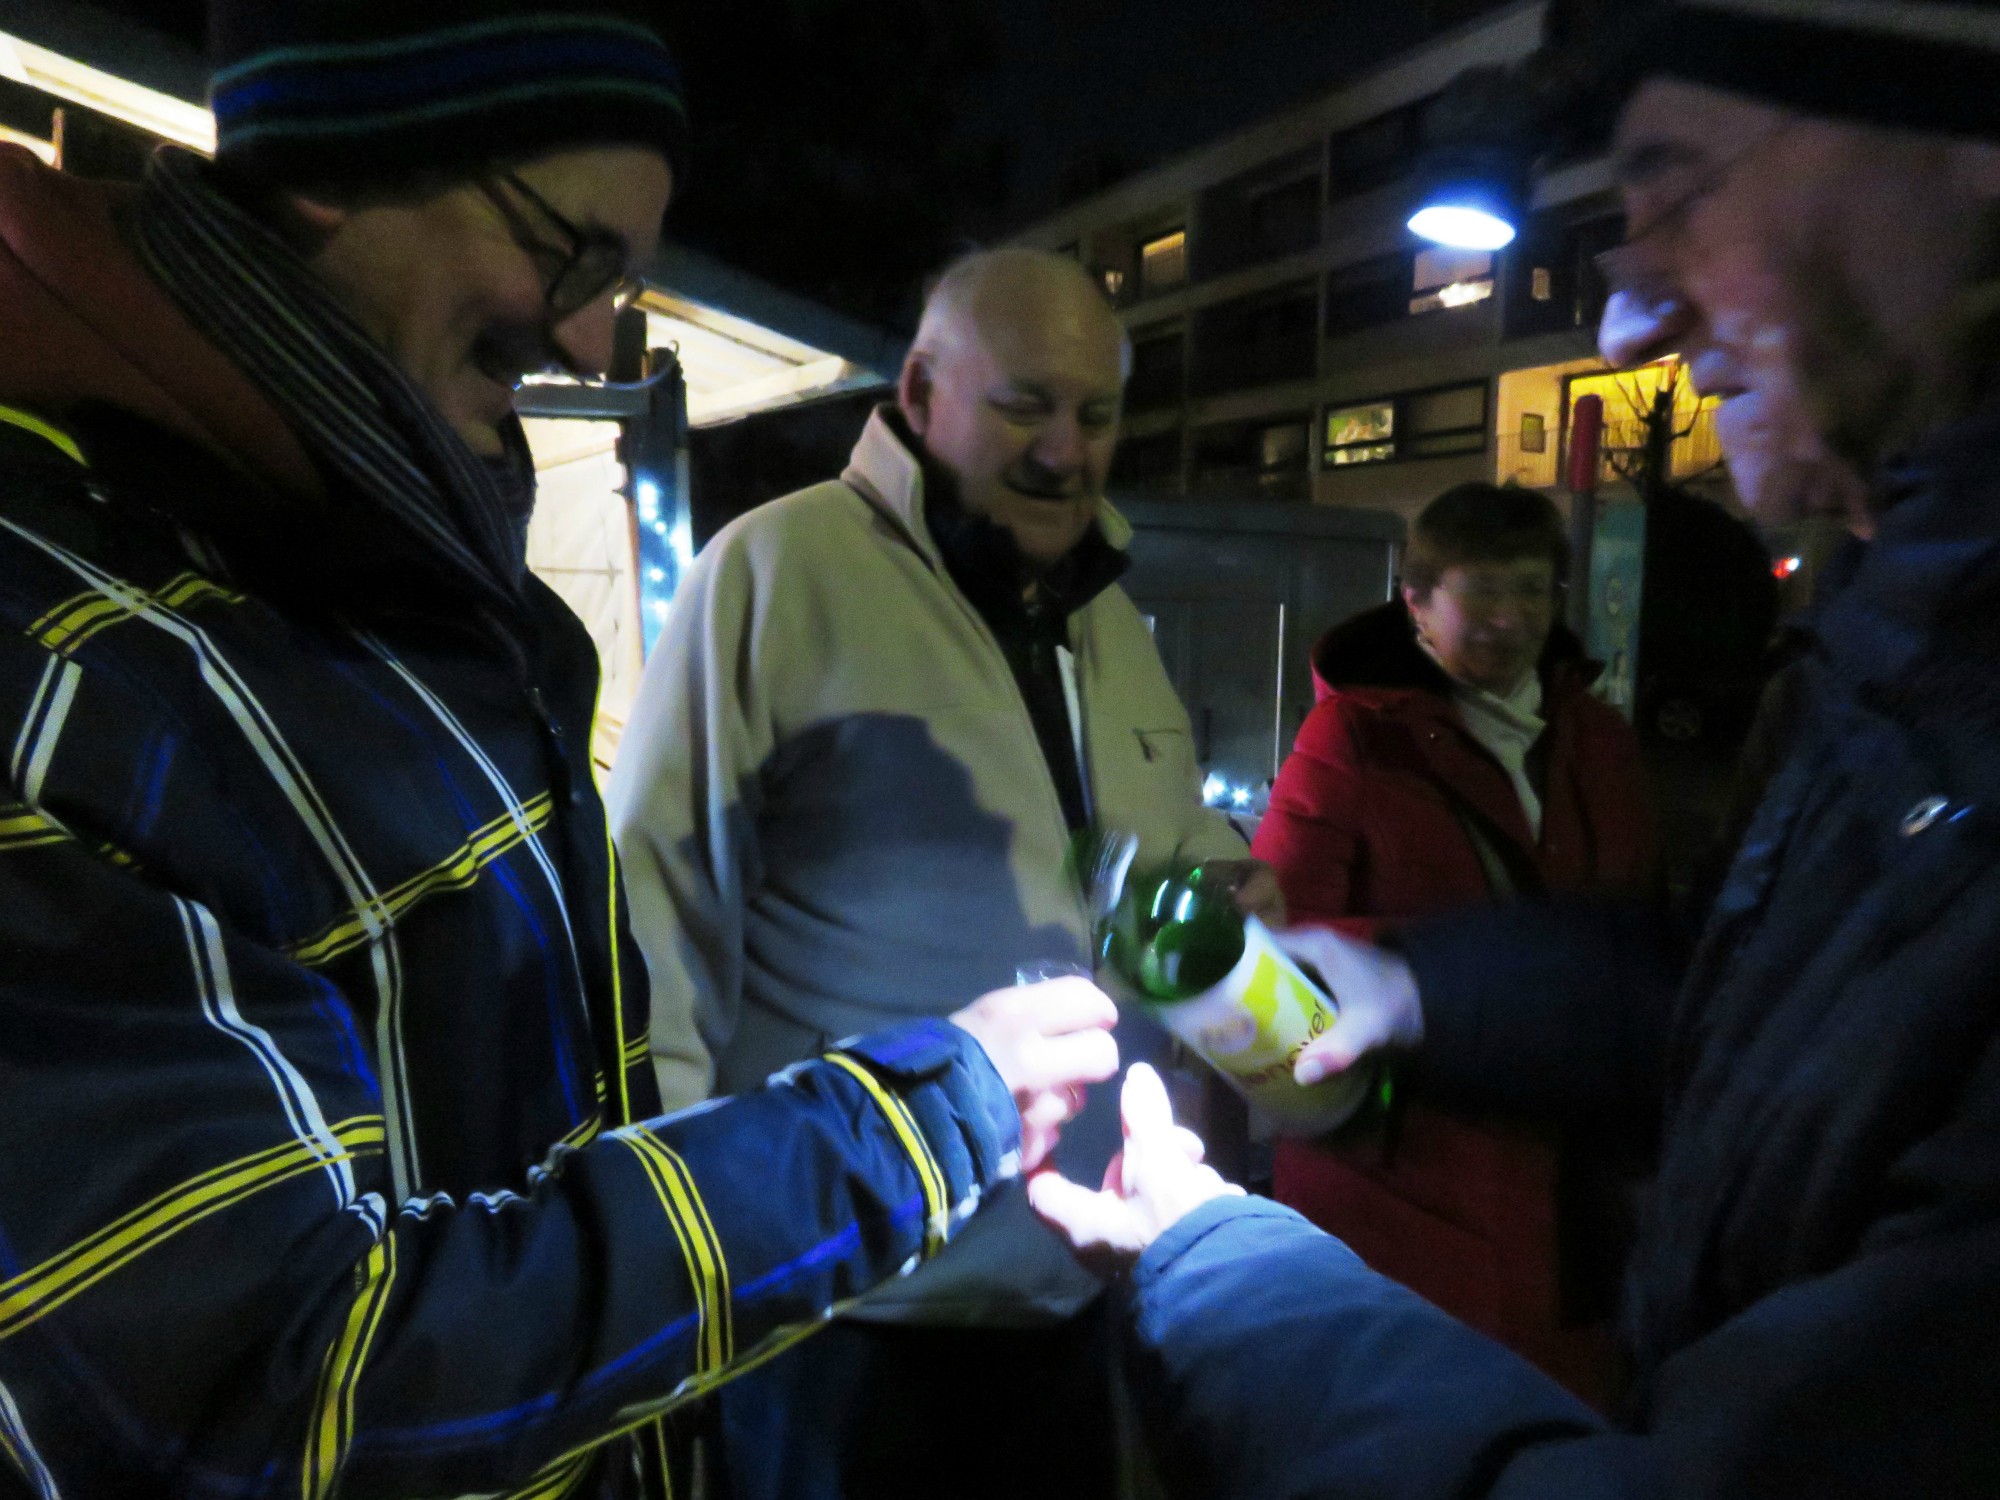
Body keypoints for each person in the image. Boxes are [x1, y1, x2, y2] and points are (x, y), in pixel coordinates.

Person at [0, 8, 1123, 1497]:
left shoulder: (414, 574)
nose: (599, 340)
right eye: (572, 252)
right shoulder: (71, 660)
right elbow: (271, 1392)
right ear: (342, 162)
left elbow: (551, 1110)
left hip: (942, 1297)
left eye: (1099, 414)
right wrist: (911, 1127)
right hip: (860, 1311)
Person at [1031, 1, 2000, 1494]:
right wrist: (1409, 985)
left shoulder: (1860, 676)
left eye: (1679, 187)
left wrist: (1209, 1261)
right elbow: (1744, 991)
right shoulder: (1897, 638)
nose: (1623, 321)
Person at [608, 246, 1274, 1499]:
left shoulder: (1104, 612)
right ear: (918, 392)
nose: (1066, 451)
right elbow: (657, 936)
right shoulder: (771, 576)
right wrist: (679, 1294)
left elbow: (1147, 868)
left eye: (1095, 415)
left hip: (1072, 1300)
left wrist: (1244, 931)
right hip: (840, 1324)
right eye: (1024, 404)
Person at [1250, 481, 1655, 1400]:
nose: (1510, 619)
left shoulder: (1600, 739)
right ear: (1419, 603)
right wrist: (1455, 971)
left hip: (1572, 1191)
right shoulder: (1352, 735)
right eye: (1481, 592)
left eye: (1534, 591)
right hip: (1403, 1184)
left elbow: (1635, 921)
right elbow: (1285, 940)